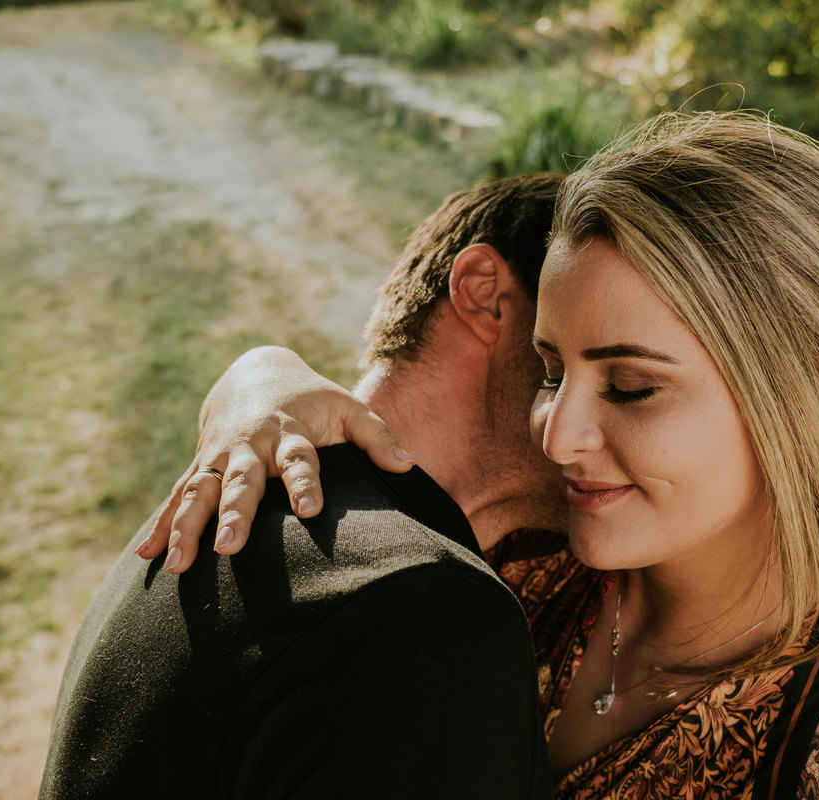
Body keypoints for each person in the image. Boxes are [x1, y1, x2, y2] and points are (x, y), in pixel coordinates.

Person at [151, 113, 819, 797]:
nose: (557, 438)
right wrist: (257, 384)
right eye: (551, 373)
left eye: (631, 388)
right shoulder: (538, 554)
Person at [40, 174, 567, 799]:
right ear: (486, 297)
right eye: (572, 356)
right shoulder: (424, 613)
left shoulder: (232, 509)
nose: (599, 412)